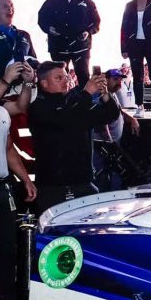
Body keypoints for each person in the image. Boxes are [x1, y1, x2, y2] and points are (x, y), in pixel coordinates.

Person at [28, 62, 121, 213]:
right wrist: (86, 93)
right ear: (44, 83)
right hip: (55, 187)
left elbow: (110, 115)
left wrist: (105, 93)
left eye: (66, 76)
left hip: (84, 183)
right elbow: (64, 119)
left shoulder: (76, 101)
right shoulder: (39, 107)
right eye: (59, 78)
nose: (65, 80)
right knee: (58, 235)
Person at [0, 62, 36, 300]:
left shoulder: (1, 113)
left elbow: (8, 150)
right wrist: (5, 81)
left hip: (0, 187)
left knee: (7, 248)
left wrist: (25, 179)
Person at [37, 0, 100, 88]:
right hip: (58, 47)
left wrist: (88, 32)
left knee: (83, 75)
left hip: (80, 48)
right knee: (58, 77)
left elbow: (96, 22)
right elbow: (42, 19)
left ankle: (84, 103)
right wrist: (49, 29)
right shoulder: (52, 1)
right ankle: (61, 102)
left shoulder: (87, 1)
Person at [0, 0, 36, 86]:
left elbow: (33, 62)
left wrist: (30, 82)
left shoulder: (24, 35)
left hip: (26, 89)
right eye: (5, 6)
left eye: (11, 6)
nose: (10, 9)